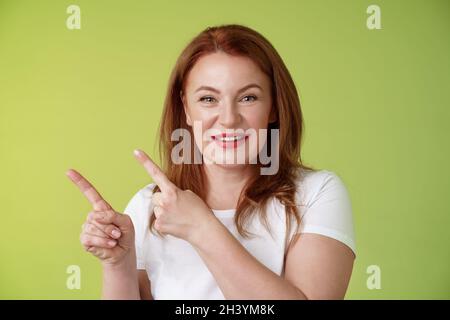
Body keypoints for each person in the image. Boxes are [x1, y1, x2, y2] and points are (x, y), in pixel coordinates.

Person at [66, 24, 356, 300]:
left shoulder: (316, 194)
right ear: (186, 109)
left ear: (273, 108)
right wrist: (118, 264)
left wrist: (202, 228)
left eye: (248, 97)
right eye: (208, 99)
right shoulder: (150, 206)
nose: (229, 119)